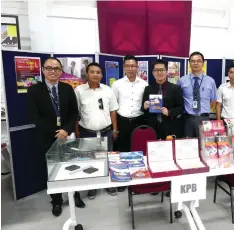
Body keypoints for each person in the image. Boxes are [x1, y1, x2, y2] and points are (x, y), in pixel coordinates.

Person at [28, 57, 84, 217]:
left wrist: (65, 130)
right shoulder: (34, 91)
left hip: (67, 135)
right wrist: (55, 132)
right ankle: (57, 201)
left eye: (56, 69)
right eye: (49, 68)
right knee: (53, 170)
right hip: (46, 137)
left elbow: (74, 112)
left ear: (61, 71)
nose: (53, 71)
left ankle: (76, 196)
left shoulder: (67, 89)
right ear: (43, 70)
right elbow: (34, 117)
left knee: (73, 167)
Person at [74, 62, 119, 199]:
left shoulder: (108, 90)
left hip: (106, 131)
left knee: (109, 159)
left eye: (98, 72)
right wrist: (77, 132)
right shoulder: (79, 91)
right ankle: (92, 187)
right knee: (90, 160)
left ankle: (109, 184)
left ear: (101, 74)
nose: (95, 74)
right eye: (92, 72)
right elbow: (76, 113)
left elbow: (113, 112)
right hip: (87, 132)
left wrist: (115, 130)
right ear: (87, 74)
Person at [112, 55, 148, 150]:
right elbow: (113, 107)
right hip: (122, 123)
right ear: (124, 67)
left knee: (139, 148)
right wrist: (115, 128)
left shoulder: (144, 84)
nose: (130, 68)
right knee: (123, 149)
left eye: (133, 66)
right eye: (127, 66)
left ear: (137, 67)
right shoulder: (117, 84)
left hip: (139, 121)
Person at [141, 59, 184, 139]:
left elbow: (181, 108)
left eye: (162, 70)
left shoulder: (175, 88)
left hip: (170, 128)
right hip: (152, 127)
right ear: (153, 72)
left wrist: (169, 112)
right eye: (156, 70)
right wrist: (144, 107)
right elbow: (143, 110)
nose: (159, 72)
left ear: (167, 71)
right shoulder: (148, 89)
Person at [178, 51, 217, 137]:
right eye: (193, 61)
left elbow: (213, 100)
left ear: (203, 63)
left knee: (204, 145)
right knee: (188, 144)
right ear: (189, 63)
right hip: (187, 118)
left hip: (204, 119)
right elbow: (178, 100)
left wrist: (203, 111)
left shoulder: (210, 81)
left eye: (198, 61)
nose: (195, 63)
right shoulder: (182, 80)